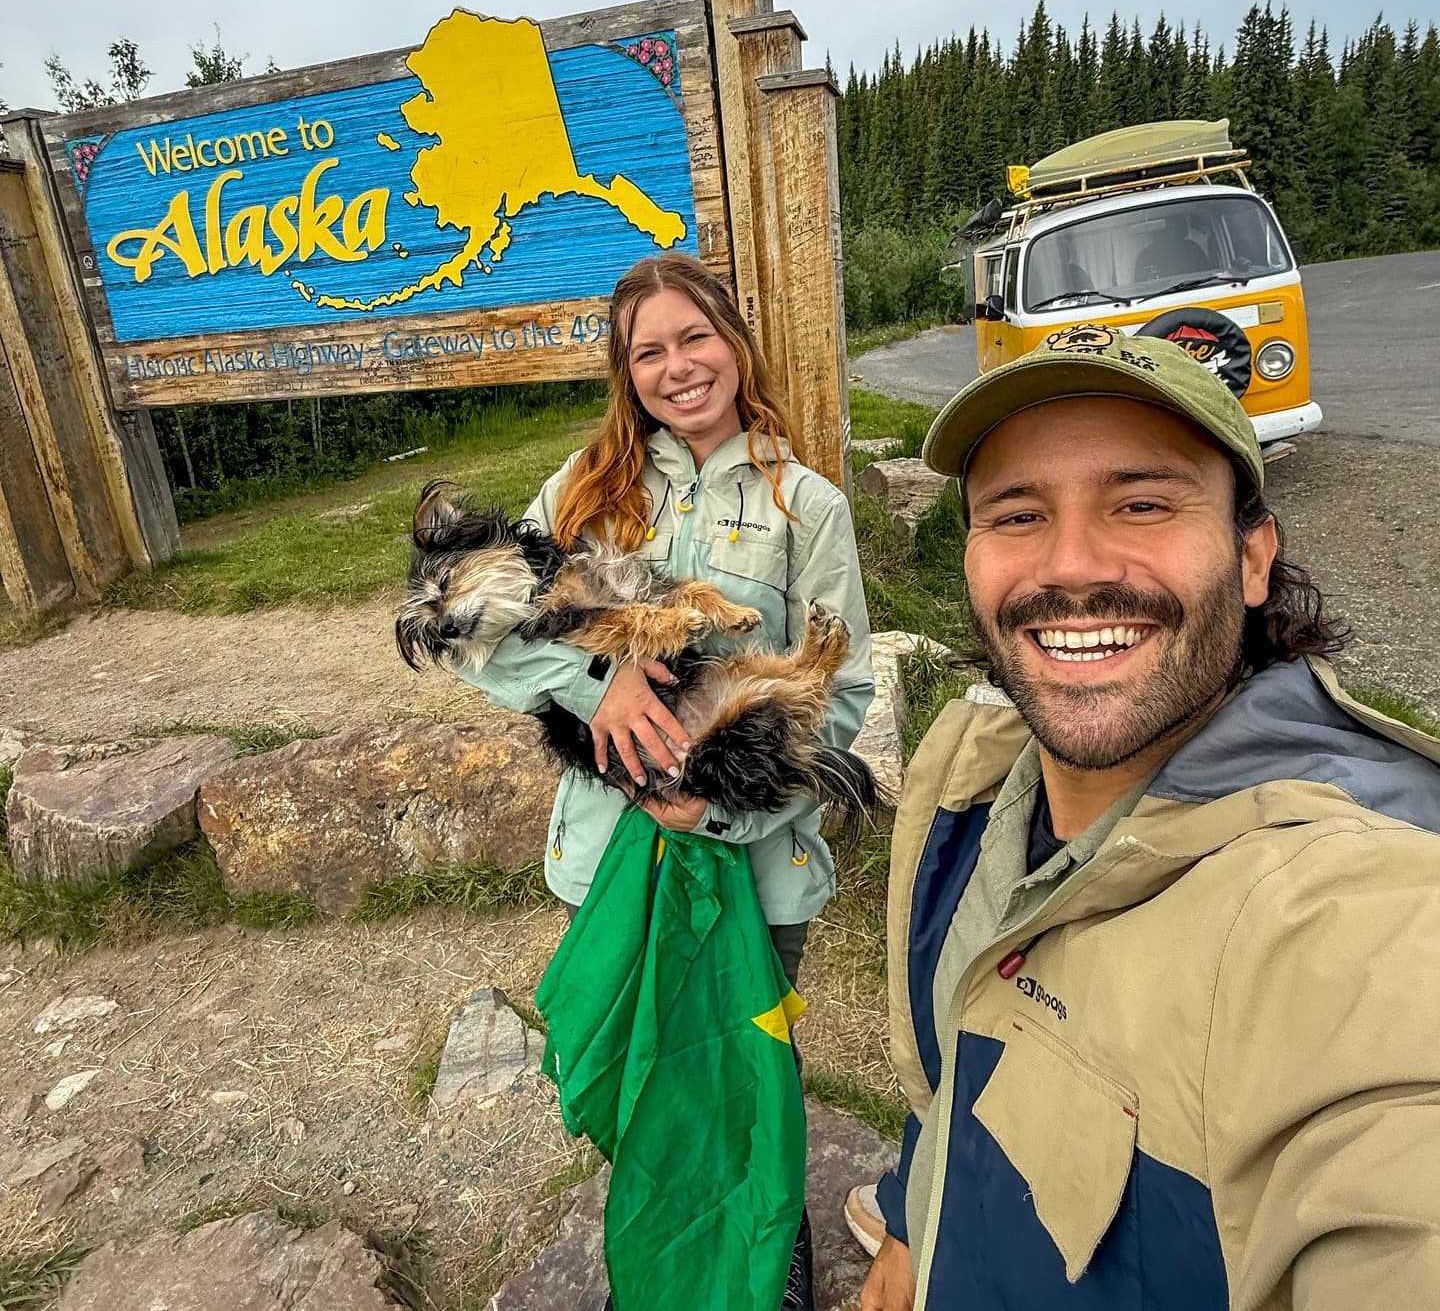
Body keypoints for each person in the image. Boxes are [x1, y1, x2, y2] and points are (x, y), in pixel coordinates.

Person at [855, 330, 1440, 1309]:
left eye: (1142, 503)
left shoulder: (1350, 913)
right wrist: (913, 1222)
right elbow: (958, 1071)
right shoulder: (971, 798)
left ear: (1253, 557)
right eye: (1018, 513)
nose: (1071, 565)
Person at [465, 252, 874, 1310]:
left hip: (756, 868)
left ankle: (770, 1246)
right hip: (610, 858)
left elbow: (842, 696)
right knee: (641, 1062)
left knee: (749, 1059)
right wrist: (594, 685)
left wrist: (725, 805)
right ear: (625, 372)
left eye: (695, 338)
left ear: (734, 344)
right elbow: (475, 631)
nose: (678, 367)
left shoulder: (806, 505)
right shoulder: (581, 494)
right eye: (649, 352)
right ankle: (660, 1256)